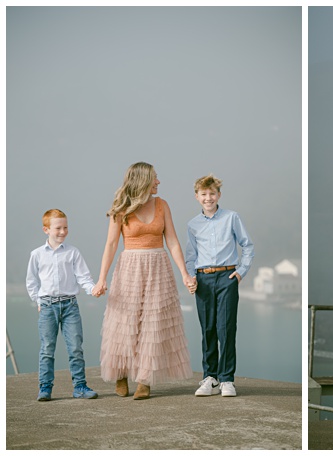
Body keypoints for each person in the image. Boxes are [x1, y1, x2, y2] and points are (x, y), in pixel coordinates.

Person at [93, 162, 194, 400]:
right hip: (129, 267)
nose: (158, 182)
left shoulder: (162, 205)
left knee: (153, 322)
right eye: (155, 178)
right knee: (124, 321)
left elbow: (173, 242)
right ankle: (120, 374)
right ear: (143, 180)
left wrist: (185, 273)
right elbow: (111, 245)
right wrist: (101, 279)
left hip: (159, 267)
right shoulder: (121, 209)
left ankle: (144, 380)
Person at [185, 174, 254, 398]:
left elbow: (247, 245)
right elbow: (190, 256)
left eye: (212, 193)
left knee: (226, 328)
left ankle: (227, 379)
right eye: (204, 194)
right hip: (203, 279)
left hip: (227, 277)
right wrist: (191, 277)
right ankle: (210, 378)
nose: (208, 198)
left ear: (219, 195)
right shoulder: (192, 225)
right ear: (197, 197)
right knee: (208, 329)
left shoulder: (232, 217)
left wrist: (241, 272)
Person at [26, 209, 100, 401]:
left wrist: (93, 289)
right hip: (48, 307)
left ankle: (80, 387)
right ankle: (45, 388)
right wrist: (38, 301)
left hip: (70, 307)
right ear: (46, 229)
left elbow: (83, 276)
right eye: (58, 228)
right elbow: (31, 281)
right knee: (47, 349)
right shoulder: (37, 255)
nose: (63, 231)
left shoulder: (73, 252)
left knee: (75, 347)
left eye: (65, 227)